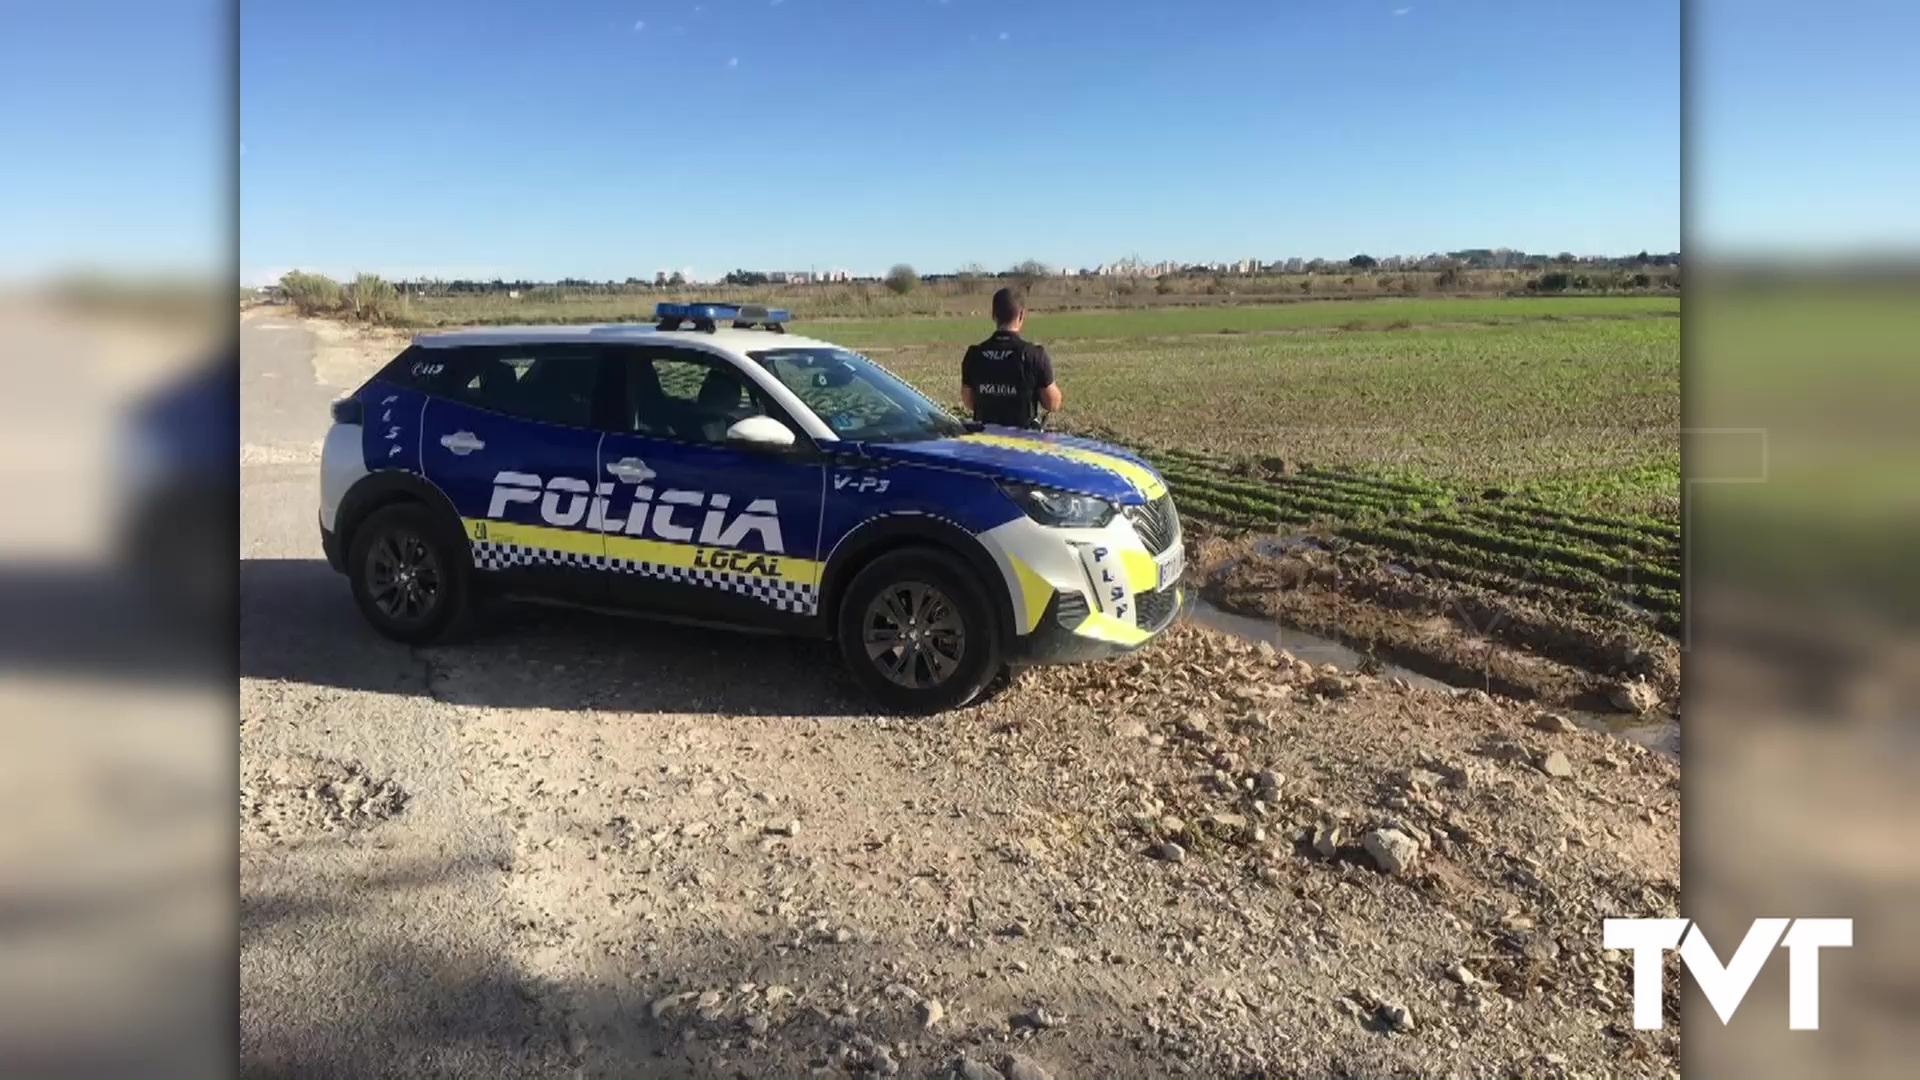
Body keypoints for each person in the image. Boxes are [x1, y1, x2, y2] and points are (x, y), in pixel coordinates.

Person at [960, 287, 1062, 429]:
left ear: (993, 315)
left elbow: (969, 401)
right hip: (1023, 441)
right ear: (1021, 315)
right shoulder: (1033, 355)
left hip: (984, 441)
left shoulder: (974, 354)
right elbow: (1052, 403)